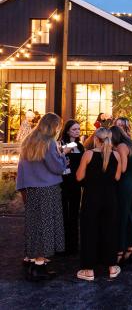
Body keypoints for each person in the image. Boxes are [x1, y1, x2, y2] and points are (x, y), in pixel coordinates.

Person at [16, 112, 69, 281]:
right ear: (54, 126)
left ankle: (30, 260)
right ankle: (40, 266)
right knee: (47, 225)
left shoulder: (28, 141)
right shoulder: (49, 143)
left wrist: (22, 188)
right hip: (47, 189)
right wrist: (63, 157)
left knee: (34, 224)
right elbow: (57, 168)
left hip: (31, 188)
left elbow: (21, 168)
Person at [75, 127, 122, 281]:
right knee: (109, 231)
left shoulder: (88, 154)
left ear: (96, 138)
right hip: (110, 198)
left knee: (89, 231)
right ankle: (112, 267)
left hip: (91, 198)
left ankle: (88, 270)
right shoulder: (116, 155)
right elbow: (117, 177)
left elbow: (79, 177)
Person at [110, 125, 132, 265]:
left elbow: (122, 168)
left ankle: (120, 251)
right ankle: (130, 249)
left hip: (124, 184)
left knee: (122, 218)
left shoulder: (121, 146)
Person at [59, 119, 85, 255]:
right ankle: (61, 245)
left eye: (78, 129)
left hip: (76, 183)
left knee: (74, 213)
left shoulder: (80, 146)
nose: (77, 131)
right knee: (63, 213)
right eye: (74, 129)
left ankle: (73, 246)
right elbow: (58, 158)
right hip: (63, 183)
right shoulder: (61, 144)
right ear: (68, 130)